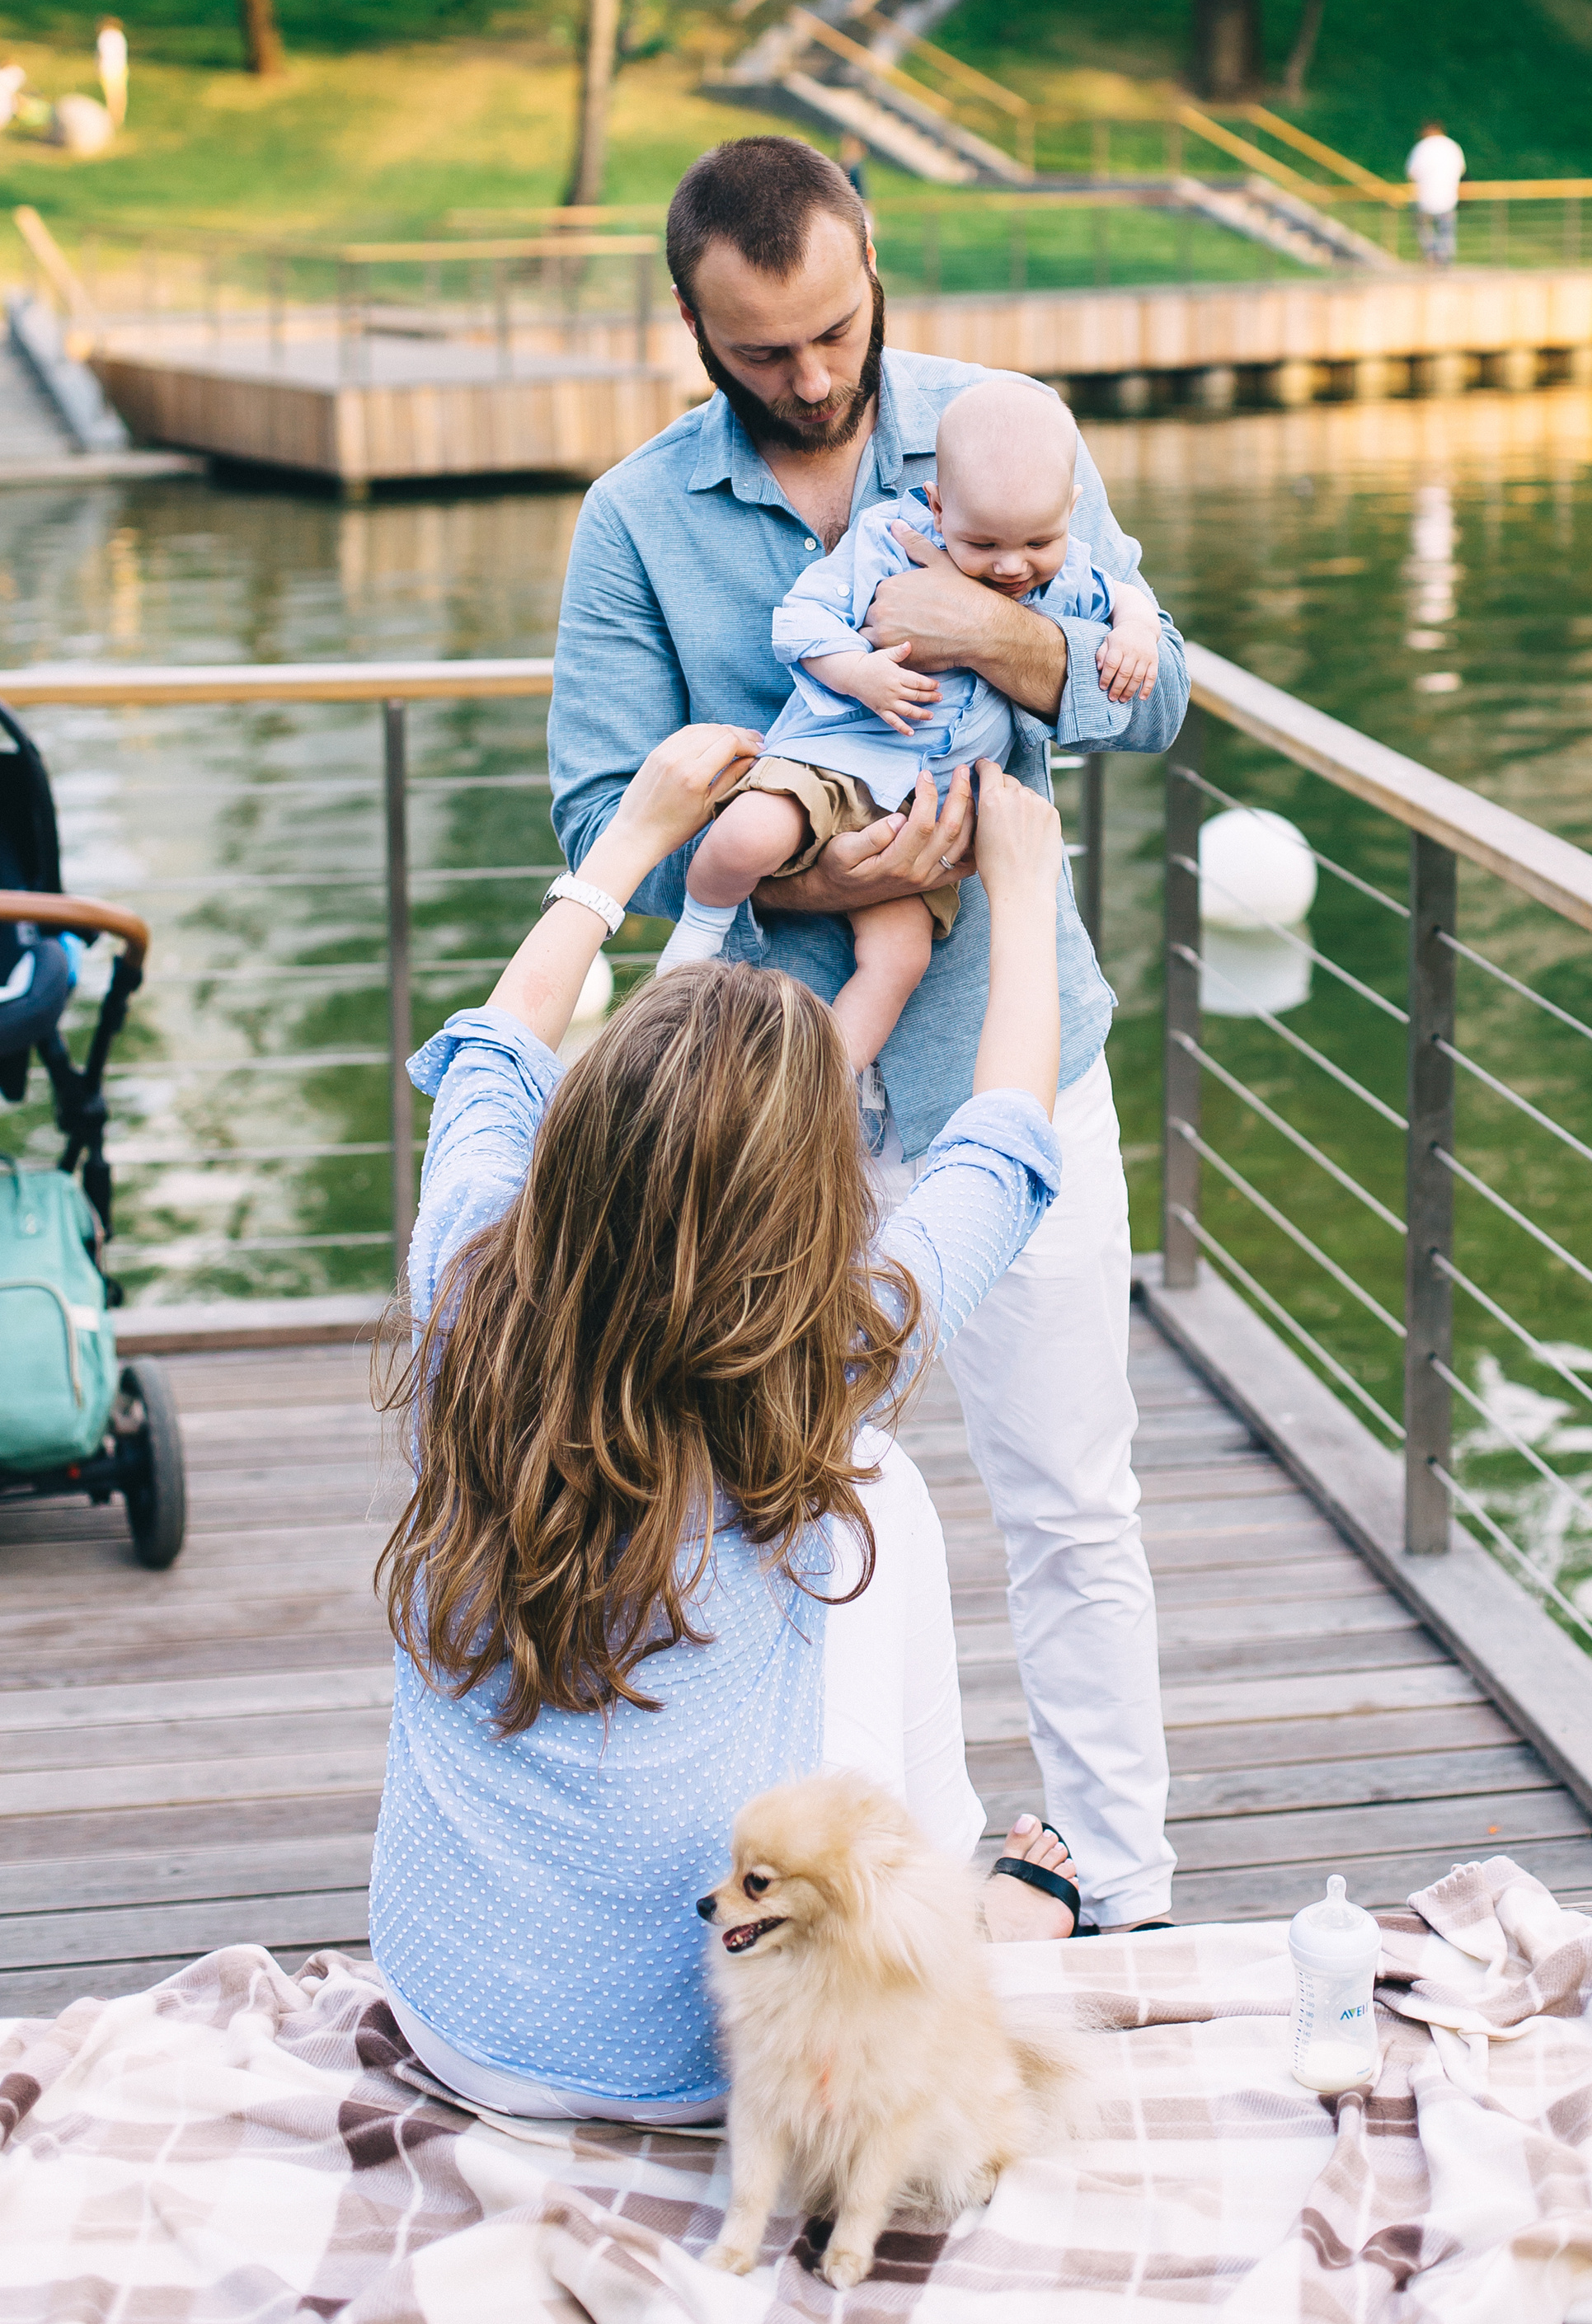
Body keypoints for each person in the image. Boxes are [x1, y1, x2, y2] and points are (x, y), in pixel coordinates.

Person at [549, 133, 1187, 1934]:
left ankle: (1122, 1891)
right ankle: (850, 1904)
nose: (814, 377)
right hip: (771, 1118)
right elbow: (602, 801)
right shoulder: (635, 521)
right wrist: (830, 886)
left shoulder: (1006, 432)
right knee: (781, 1529)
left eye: (835, 330)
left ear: (872, 273)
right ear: (691, 324)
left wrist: (974, 623)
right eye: (764, 351)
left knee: (1072, 1502)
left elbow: (1159, 703)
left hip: (1018, 1066)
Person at [369, 722, 1089, 2124]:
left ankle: (940, 1887)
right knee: (872, 1492)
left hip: (451, 2017)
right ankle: (960, 1905)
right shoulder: (830, 1362)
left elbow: (494, 1057)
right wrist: (1030, 879)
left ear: (582, 1144)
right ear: (813, 1196)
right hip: (723, 2062)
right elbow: (1006, 1142)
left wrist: (633, 841)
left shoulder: (466, 1287)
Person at [655, 373, 1161, 1080]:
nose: (1014, 566)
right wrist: (859, 672)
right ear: (937, 505)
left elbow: (1128, 609)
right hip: (836, 761)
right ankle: (697, 937)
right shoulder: (889, 540)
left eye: (1037, 542)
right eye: (982, 543)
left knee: (900, 958)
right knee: (745, 835)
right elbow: (801, 620)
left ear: (1069, 513)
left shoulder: (1062, 567)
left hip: (926, 810)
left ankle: (823, 1093)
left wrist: (1130, 630)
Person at [1407, 117, 1466, 266]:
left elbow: (1412, 173)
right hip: (1449, 198)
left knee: (1424, 228)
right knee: (1447, 231)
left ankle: (1432, 254)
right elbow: (1462, 170)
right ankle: (1445, 257)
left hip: (1424, 198)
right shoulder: (1452, 146)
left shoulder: (1422, 147)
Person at [95, 17, 127, 134]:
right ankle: (119, 118)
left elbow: (103, 54)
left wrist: (98, 68)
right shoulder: (119, 35)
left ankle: (112, 119)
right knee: (120, 95)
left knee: (110, 96)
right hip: (120, 69)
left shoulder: (105, 36)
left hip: (107, 70)